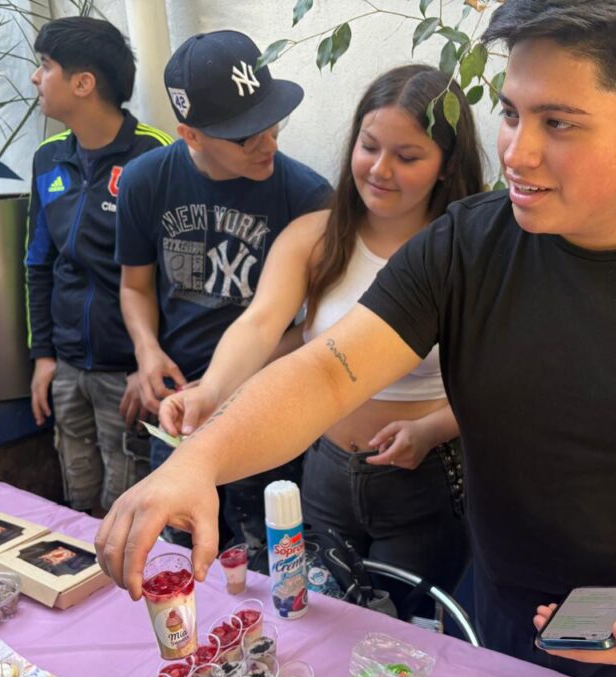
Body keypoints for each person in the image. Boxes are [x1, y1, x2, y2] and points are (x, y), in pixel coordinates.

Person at [95, 0, 616, 677]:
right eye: (510, 113)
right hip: (504, 623)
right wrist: (201, 458)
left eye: (558, 123)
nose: (517, 153)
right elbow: (328, 370)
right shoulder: (468, 245)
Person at [158, 64, 482, 597]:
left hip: (425, 475)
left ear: (447, 165)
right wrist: (210, 392)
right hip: (326, 469)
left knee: (403, 626)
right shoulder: (317, 237)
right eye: (369, 147)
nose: (380, 169)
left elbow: (500, 381)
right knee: (317, 612)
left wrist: (433, 428)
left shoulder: (467, 254)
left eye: (407, 157)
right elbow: (260, 324)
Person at [114, 30, 331, 550]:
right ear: (190, 135)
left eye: (272, 122)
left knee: (267, 556)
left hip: (264, 403)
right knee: (177, 554)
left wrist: (230, 383)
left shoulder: (307, 196)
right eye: (244, 137)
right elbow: (135, 286)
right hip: (177, 405)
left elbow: (315, 324)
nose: (268, 143)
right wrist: (146, 351)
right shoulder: (146, 181)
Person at [26, 17, 172, 516]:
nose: (36, 77)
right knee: (78, 498)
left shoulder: (155, 155)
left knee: (126, 505)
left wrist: (148, 364)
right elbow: (38, 263)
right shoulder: (48, 158)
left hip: (128, 373)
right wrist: (44, 356)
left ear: (83, 83)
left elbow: (175, 279)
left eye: (46, 65)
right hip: (68, 367)